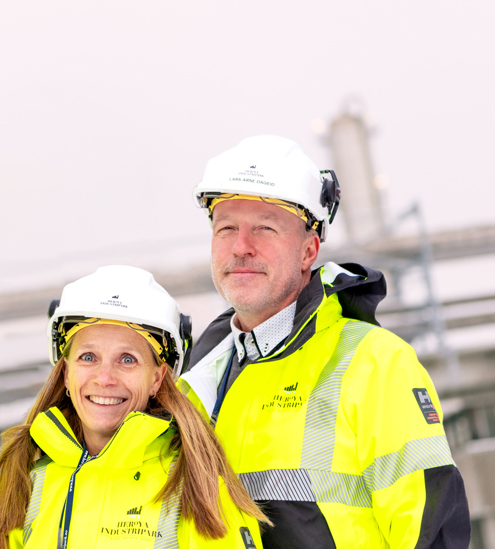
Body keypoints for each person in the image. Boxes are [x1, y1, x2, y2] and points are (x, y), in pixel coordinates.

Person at [178, 135, 470, 548]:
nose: (241, 247)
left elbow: (429, 533)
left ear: (308, 250)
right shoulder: (192, 384)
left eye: (264, 228)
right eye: (227, 228)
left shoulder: (375, 364)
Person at [0, 265, 269, 549]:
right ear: (66, 374)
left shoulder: (197, 488)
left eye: (127, 360)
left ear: (157, 379)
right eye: (88, 357)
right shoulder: (28, 477)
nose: (105, 378)